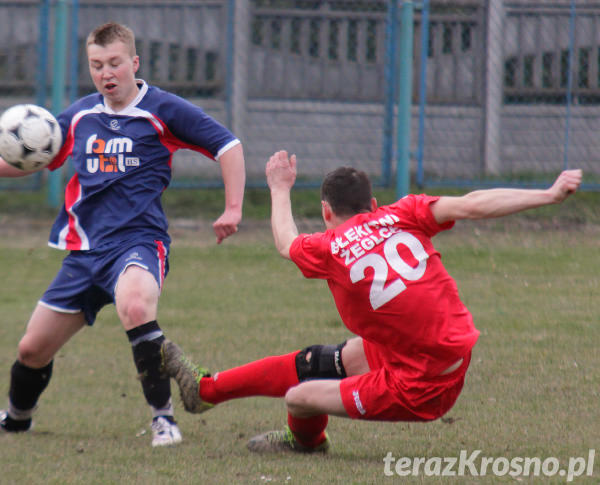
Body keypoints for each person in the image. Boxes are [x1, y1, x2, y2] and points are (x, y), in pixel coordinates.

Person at [164, 150, 583, 453]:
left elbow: (285, 240)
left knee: (299, 397)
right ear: (374, 205)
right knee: (319, 360)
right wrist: (548, 194)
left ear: (327, 211)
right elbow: (475, 204)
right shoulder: (405, 212)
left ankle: (306, 441)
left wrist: (279, 188)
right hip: (440, 348)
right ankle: (206, 390)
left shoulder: (328, 247)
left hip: (423, 383)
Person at [0, 22, 245, 447]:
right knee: (32, 350)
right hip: (85, 251)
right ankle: (17, 420)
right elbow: (37, 152)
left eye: (114, 63)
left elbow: (227, 145)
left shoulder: (162, 109)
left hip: (139, 242)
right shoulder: (82, 114)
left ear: (134, 63)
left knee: (135, 304)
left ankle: (164, 420)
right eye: (96, 65)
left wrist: (233, 207)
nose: (106, 73)